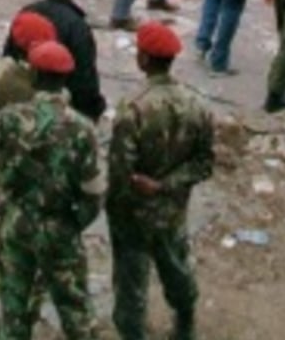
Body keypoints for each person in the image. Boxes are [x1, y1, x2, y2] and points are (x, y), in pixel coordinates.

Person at [0, 41, 105, 340]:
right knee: (76, 311)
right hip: (61, 227)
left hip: (16, 224)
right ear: (66, 79)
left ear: (34, 75)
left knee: (15, 312)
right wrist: (76, 223)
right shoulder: (82, 128)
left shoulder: (10, 118)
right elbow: (94, 191)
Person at [107, 22, 214, 340]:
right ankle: (185, 322)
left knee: (130, 282)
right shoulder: (197, 104)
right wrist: (166, 186)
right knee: (176, 268)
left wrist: (119, 204)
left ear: (143, 58)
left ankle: (133, 333)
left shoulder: (133, 109)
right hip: (171, 211)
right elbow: (204, 164)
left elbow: (120, 172)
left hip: (133, 215)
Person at [0, 9, 62, 340]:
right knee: (25, 258)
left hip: (7, 173)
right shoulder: (28, 88)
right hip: (35, 181)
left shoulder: (4, 72)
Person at [3, 0, 105, 121]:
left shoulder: (28, 13)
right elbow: (84, 79)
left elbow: (9, 55)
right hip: (59, 107)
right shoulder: (77, 27)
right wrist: (94, 110)